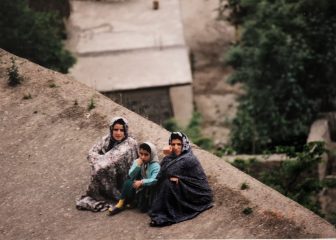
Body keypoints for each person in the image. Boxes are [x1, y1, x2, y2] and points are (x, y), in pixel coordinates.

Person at [149, 132, 213, 227]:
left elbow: (168, 171)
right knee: (165, 182)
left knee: (168, 183)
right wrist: (167, 157)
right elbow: (160, 174)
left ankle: (167, 215)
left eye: (179, 144)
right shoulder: (171, 157)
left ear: (184, 144)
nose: (176, 147)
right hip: (184, 188)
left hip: (198, 194)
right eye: (173, 144)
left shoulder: (188, 158)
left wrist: (176, 178)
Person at [76, 117, 138, 212]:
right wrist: (100, 160)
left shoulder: (130, 144)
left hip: (122, 177)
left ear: (125, 130)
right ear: (111, 129)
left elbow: (110, 161)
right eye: (115, 129)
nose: (118, 133)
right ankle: (102, 190)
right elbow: (91, 153)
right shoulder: (107, 139)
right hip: (108, 168)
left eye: (121, 130)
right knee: (99, 167)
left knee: (99, 169)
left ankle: (115, 195)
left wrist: (100, 161)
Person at [108, 142, 160, 216]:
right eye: (141, 154)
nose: (142, 157)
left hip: (149, 189)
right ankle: (120, 203)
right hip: (139, 185)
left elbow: (155, 180)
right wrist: (137, 166)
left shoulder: (156, 166)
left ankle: (135, 202)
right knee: (128, 182)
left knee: (143, 209)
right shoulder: (138, 161)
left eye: (146, 155)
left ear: (151, 154)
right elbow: (131, 175)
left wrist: (142, 182)